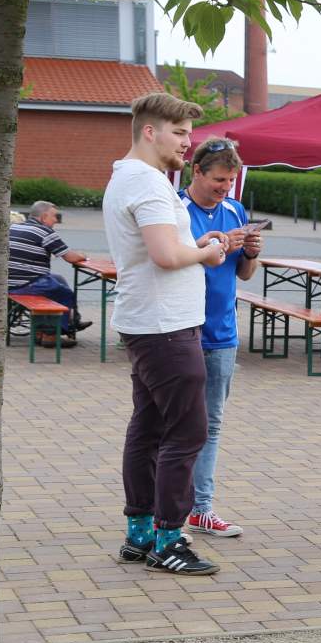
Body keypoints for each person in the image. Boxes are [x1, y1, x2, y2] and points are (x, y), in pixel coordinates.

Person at [105, 92, 230, 577]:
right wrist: (207, 252)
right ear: (150, 131)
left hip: (147, 322)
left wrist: (192, 245)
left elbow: (161, 248)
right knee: (187, 431)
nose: (188, 142)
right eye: (179, 133)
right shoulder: (152, 185)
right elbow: (163, 256)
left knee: (149, 427)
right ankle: (169, 538)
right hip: (166, 327)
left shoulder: (127, 177)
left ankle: (140, 536)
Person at [179, 138, 264, 539]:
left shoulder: (234, 210)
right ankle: (167, 508)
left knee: (211, 424)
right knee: (175, 423)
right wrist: (200, 247)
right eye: (218, 180)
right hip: (179, 329)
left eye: (230, 181)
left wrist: (249, 252)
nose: (225, 188)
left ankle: (201, 509)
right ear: (196, 171)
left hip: (222, 334)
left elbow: (243, 275)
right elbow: (165, 264)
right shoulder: (176, 210)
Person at [7, 200, 92, 344]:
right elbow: (70, 258)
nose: (56, 220)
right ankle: (51, 335)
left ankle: (73, 321)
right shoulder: (45, 232)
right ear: (44, 217)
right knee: (65, 294)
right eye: (54, 216)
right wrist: (83, 256)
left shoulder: (14, 227)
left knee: (58, 279)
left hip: (9, 281)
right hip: (25, 284)